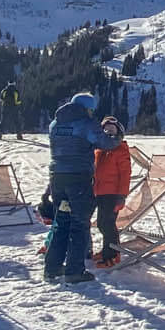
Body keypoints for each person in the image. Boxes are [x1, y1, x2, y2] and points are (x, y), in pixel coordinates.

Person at [45, 91, 125, 284]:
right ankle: (75, 270)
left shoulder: (55, 124)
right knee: (80, 224)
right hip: (78, 179)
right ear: (87, 109)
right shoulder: (85, 123)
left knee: (61, 222)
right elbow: (105, 142)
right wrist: (118, 137)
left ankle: (52, 267)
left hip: (57, 177)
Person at [92, 115, 132, 267]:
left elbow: (125, 175)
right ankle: (107, 250)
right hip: (99, 192)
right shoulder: (100, 150)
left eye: (112, 130)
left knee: (106, 224)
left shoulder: (120, 149)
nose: (108, 133)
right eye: (105, 130)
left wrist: (121, 196)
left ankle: (112, 255)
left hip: (113, 194)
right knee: (103, 223)